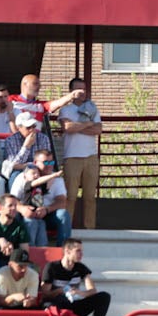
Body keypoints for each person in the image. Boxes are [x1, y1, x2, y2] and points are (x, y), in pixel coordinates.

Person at [56, 77, 101, 231]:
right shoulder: (65, 110)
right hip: (72, 157)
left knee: (90, 197)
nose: (82, 93)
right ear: (71, 91)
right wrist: (88, 123)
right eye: (78, 89)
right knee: (70, 196)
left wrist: (79, 127)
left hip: (91, 157)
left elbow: (98, 130)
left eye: (83, 89)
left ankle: (90, 228)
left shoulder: (92, 108)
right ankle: (67, 228)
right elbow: (67, 127)